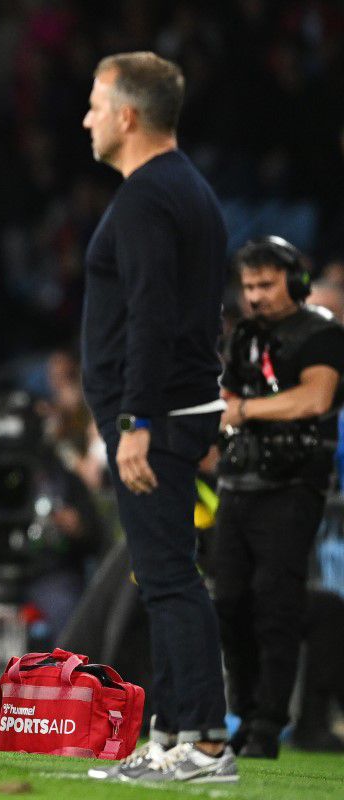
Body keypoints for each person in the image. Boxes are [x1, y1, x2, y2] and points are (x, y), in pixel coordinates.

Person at [79, 52, 236, 783]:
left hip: (159, 415)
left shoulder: (147, 197)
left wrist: (135, 418)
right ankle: (175, 737)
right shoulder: (186, 188)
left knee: (170, 579)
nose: (86, 118)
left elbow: (152, 316)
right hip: (177, 407)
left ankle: (204, 742)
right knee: (165, 575)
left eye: (95, 104)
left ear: (128, 116)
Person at [215, 237, 344, 758]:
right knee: (229, 605)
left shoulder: (323, 334)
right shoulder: (245, 336)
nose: (256, 297)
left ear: (296, 281)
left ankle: (268, 724)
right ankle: (244, 715)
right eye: (249, 286)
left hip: (293, 487)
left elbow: (315, 398)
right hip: (238, 482)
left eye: (267, 284)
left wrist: (244, 410)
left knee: (275, 603)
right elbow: (222, 400)